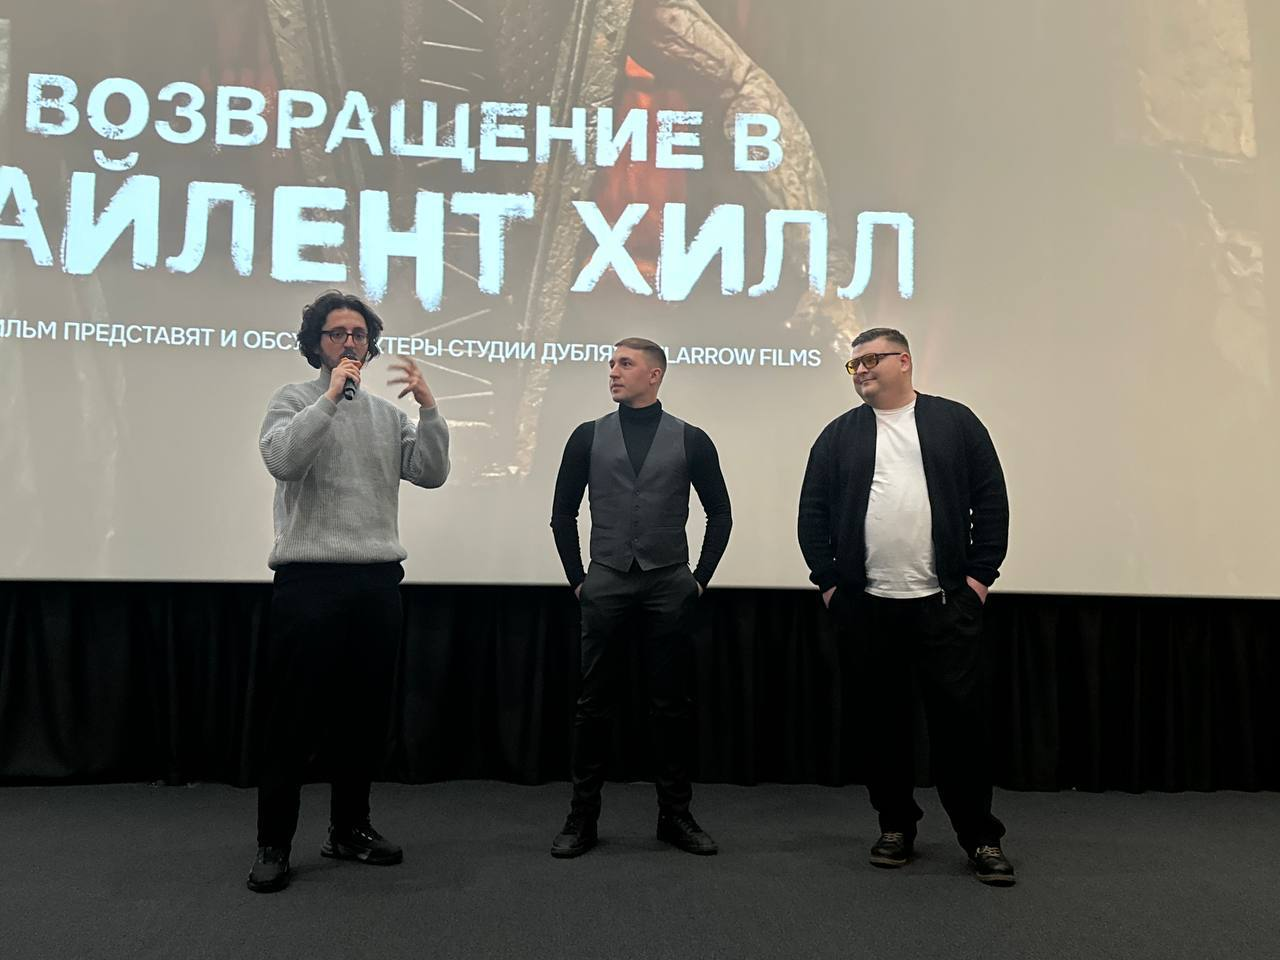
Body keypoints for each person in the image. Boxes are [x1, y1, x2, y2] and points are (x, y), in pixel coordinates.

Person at [796, 327, 1015, 886]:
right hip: (867, 608)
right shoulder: (839, 435)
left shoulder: (954, 422)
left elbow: (991, 501)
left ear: (905, 361)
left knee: (960, 728)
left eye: (871, 359)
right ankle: (895, 825)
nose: (861, 371)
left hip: (943, 605)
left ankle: (980, 836)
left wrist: (978, 580)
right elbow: (812, 514)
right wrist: (830, 584)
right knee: (880, 727)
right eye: (853, 365)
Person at [247, 289, 450, 893]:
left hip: (375, 580)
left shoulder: (387, 417)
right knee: (292, 721)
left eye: (359, 334)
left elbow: (430, 473)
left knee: (362, 719)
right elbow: (284, 460)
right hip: (309, 582)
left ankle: (349, 829)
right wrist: (331, 396)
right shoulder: (293, 401)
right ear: (316, 344)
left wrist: (430, 411)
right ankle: (274, 843)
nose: (350, 343)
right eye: (337, 334)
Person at [548, 337, 732, 858]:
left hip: (668, 582)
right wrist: (579, 579)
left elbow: (720, 513)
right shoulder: (586, 436)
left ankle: (676, 816)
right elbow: (563, 513)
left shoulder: (692, 439)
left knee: (671, 705)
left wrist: (699, 579)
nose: (613, 371)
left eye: (624, 364)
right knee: (593, 705)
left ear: (654, 375)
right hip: (606, 579)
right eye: (611, 363)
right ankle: (582, 818)